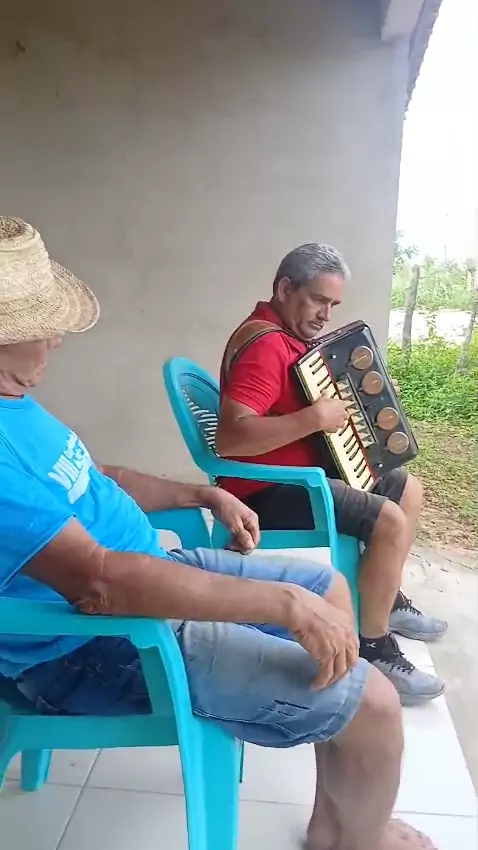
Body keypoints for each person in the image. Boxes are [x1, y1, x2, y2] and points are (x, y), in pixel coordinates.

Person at [0, 217, 437, 850]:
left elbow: (96, 477)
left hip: (143, 580)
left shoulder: (17, 405)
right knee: (376, 703)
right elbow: (100, 583)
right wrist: (278, 605)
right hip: (97, 643)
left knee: (330, 589)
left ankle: (333, 822)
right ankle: (361, 839)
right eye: (41, 327)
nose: (56, 340)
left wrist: (199, 493)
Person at [216, 242, 447, 706]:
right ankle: (374, 648)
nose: (325, 314)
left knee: (408, 489)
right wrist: (313, 419)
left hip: (302, 474)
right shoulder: (266, 346)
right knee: (387, 519)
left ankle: (385, 600)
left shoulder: (286, 338)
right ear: (285, 289)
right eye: (318, 300)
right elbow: (231, 438)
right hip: (267, 490)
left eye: (333, 304)